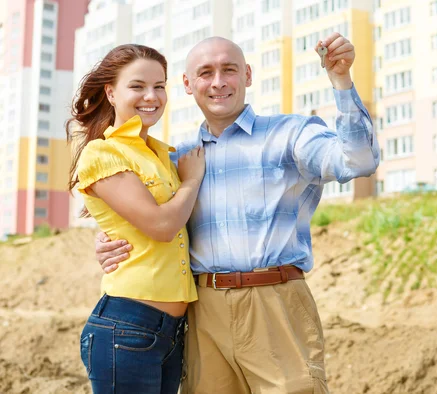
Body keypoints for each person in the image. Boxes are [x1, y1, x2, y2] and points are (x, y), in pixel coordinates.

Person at [94, 33, 379, 394]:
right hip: (203, 310)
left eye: (229, 70)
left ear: (247, 74)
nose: (218, 82)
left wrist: (341, 81)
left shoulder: (290, 134)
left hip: (275, 303)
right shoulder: (177, 159)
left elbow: (360, 161)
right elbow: (145, 217)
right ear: (187, 84)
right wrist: (106, 240)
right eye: (205, 72)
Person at [67, 44, 205, 393]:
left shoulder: (162, 154)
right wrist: (191, 181)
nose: (152, 96)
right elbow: (161, 226)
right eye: (138, 86)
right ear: (111, 93)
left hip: (173, 329)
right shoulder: (103, 153)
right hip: (127, 326)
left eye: (160, 86)